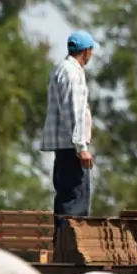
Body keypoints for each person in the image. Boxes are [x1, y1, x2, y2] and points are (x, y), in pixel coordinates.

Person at [41, 30, 101, 236]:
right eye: (91, 51)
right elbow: (73, 111)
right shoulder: (72, 73)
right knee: (76, 202)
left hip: (65, 147)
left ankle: (63, 245)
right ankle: (72, 248)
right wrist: (81, 147)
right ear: (86, 52)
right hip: (72, 148)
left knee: (66, 199)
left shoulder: (61, 69)